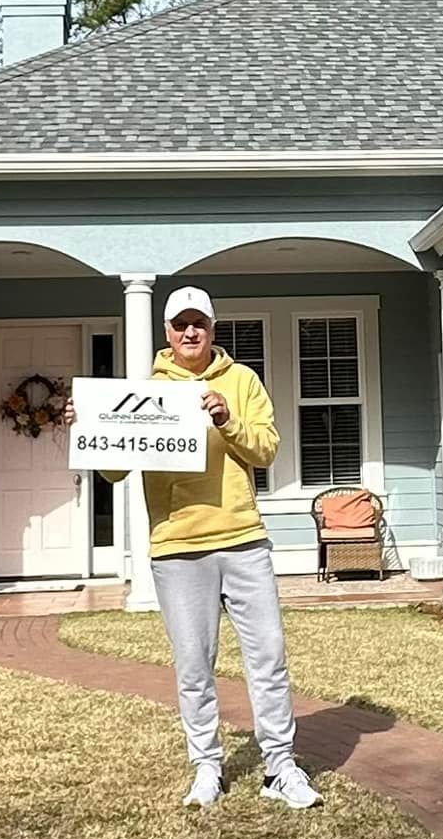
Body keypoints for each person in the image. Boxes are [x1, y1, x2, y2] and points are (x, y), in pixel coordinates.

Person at [75, 285, 322, 811]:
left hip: (243, 539)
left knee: (269, 658)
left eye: (200, 324)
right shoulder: (144, 391)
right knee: (193, 664)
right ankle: (207, 766)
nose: (191, 332)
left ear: (213, 328)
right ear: (167, 332)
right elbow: (115, 470)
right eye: (181, 324)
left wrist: (227, 418)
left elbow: (268, 448)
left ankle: (280, 766)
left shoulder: (241, 380)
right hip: (177, 545)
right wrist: (93, 428)